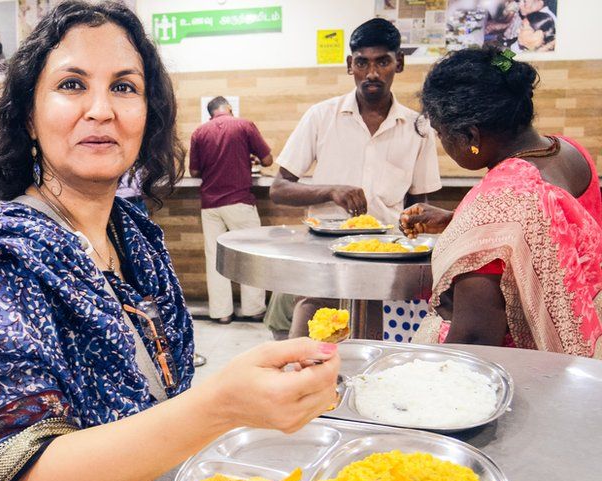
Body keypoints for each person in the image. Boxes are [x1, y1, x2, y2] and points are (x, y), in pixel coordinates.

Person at [0, 3, 340, 481]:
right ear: (29, 114)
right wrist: (224, 404)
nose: (101, 109)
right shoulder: (8, 255)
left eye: (125, 87)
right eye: (72, 84)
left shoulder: (132, 234)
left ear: (149, 112)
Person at [400, 48, 602, 357]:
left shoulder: (496, 203)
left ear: (470, 136)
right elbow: (552, 228)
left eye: (441, 135)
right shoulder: (571, 152)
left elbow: (475, 339)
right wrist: (457, 219)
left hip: (527, 369)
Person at [265, 18, 442, 340]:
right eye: (362, 62)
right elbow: (279, 189)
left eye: (382, 62)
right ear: (350, 65)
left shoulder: (418, 127)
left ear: (398, 64)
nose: (372, 73)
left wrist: (416, 237)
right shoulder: (322, 116)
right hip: (325, 257)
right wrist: (330, 191)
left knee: (371, 349)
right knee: (306, 352)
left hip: (384, 259)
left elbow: (419, 204)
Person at [189, 96, 272, 324]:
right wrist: (246, 157)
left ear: (210, 114)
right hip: (239, 201)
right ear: (230, 108)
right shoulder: (244, 125)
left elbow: (195, 172)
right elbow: (267, 159)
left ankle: (221, 312)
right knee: (251, 255)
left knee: (215, 258)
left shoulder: (199, 133)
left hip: (210, 205)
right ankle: (253, 309)